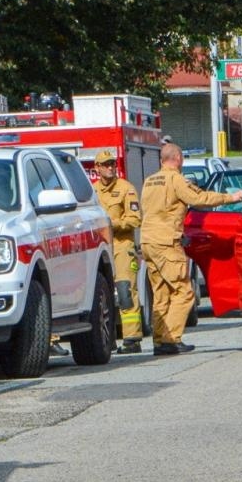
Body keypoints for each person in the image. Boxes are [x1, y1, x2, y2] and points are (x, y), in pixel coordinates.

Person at [140, 142, 242, 356]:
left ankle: (159, 340)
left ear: (162, 160)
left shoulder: (149, 181)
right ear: (178, 159)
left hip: (148, 242)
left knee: (161, 294)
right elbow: (199, 199)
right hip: (167, 243)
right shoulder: (176, 179)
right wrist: (230, 198)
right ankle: (171, 338)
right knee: (184, 292)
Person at [93, 149, 144, 354]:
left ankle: (132, 339)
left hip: (122, 246)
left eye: (112, 164)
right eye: (105, 164)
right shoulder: (92, 191)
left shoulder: (126, 189)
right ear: (97, 168)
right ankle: (108, 338)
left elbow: (134, 219)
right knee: (102, 296)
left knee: (125, 292)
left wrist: (111, 224)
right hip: (101, 249)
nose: (110, 167)